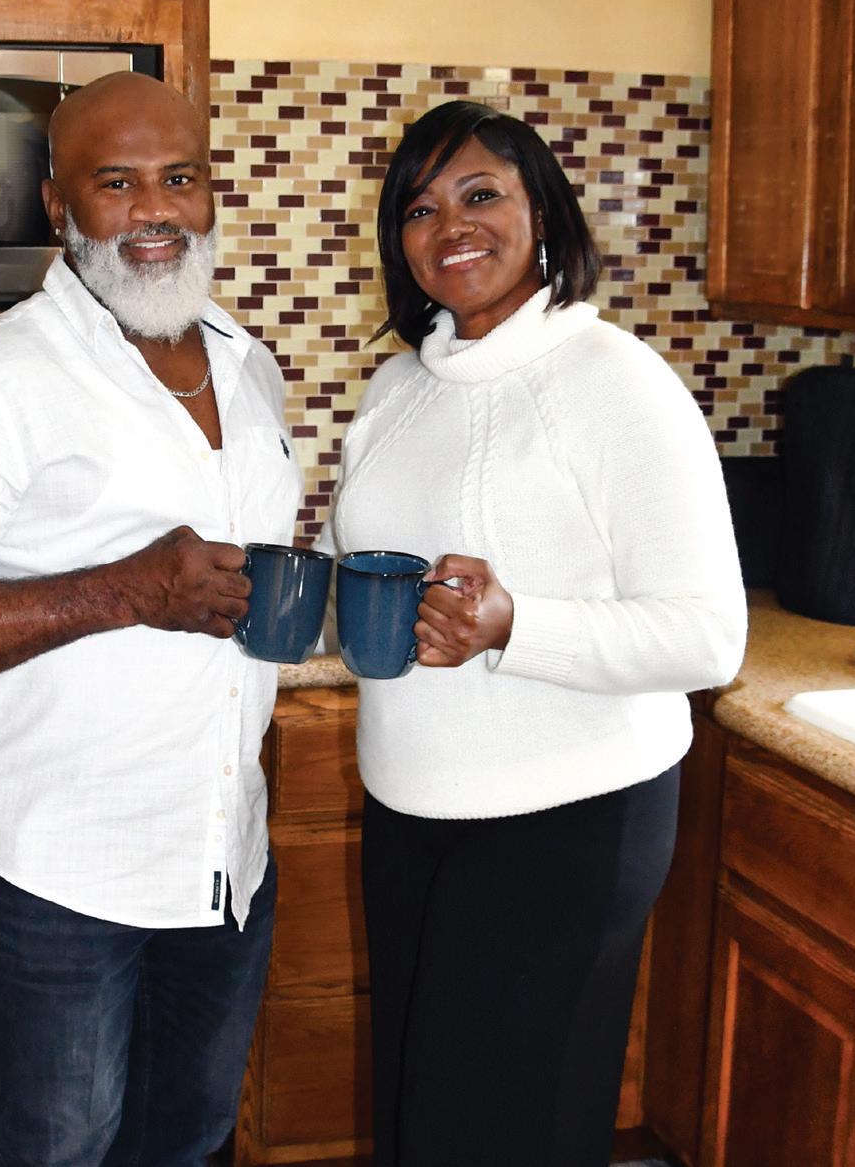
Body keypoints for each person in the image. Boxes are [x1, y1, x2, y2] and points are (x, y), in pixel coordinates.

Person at [0, 72, 301, 1167]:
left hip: (221, 858)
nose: (156, 211)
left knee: (189, 1142)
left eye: (179, 179)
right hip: (55, 875)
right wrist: (126, 590)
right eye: (117, 182)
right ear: (60, 206)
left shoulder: (248, 368)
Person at [321, 100, 747, 1166]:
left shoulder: (614, 381)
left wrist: (516, 626)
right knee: (420, 1127)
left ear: (543, 214)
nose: (450, 226)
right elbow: (360, 576)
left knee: (510, 1135)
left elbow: (709, 637)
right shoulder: (396, 388)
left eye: (481, 195)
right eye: (419, 208)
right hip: (410, 811)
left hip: (567, 823)